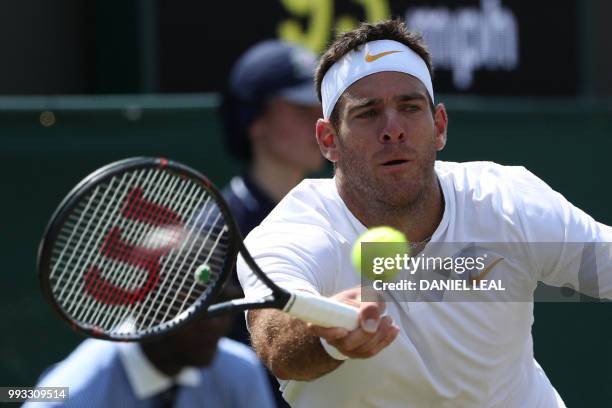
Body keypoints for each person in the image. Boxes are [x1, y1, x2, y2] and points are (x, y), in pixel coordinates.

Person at [237, 19, 612, 407]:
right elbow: (274, 335)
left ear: (439, 126)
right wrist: (328, 337)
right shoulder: (294, 231)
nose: (393, 129)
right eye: (367, 113)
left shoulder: (507, 204)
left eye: (410, 107)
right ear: (329, 141)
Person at [219, 39, 324, 408]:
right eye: (300, 109)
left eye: (322, 106)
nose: (319, 120)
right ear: (254, 121)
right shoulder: (215, 233)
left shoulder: (335, 213)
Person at [24, 283, 274, 408]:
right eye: (191, 302)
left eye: (223, 301)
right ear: (146, 311)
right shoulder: (70, 393)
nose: (216, 321)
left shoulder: (242, 371)